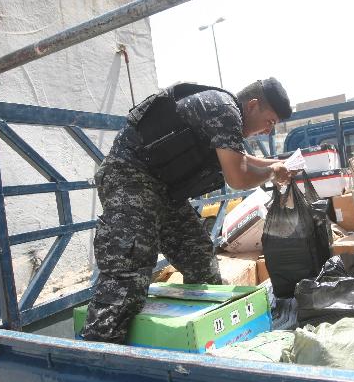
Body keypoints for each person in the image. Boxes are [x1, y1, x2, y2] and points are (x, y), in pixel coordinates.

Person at [81, 77, 294, 344]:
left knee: (198, 256)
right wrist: (273, 172)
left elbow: (242, 159)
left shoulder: (226, 115)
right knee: (128, 275)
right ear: (252, 106)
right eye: (270, 122)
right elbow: (238, 177)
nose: (268, 132)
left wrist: (278, 163)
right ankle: (97, 356)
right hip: (130, 178)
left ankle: (209, 337)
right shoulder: (224, 109)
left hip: (164, 190)